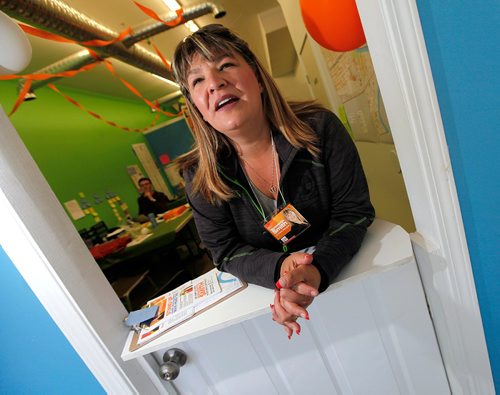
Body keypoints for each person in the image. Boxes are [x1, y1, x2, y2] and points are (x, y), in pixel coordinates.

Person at [172, 25, 375, 338]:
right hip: (270, 310)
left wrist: (314, 269)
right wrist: (283, 271)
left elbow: (353, 213)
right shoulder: (198, 177)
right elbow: (225, 251)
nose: (215, 82)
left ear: (256, 75)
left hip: (348, 276)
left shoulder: (320, 129)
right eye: (198, 80)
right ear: (196, 107)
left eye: (225, 65)